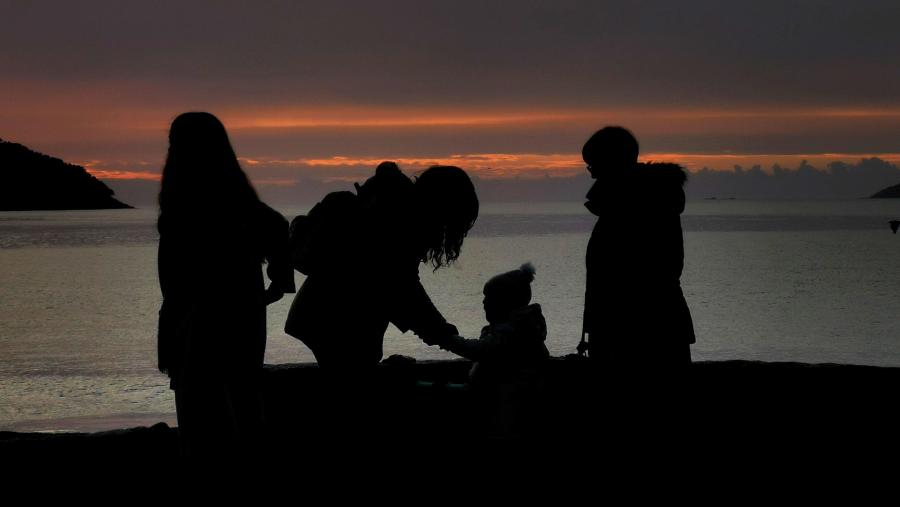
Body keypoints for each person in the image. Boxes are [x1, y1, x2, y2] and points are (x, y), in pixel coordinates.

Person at [157, 112, 295, 457]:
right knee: (240, 403)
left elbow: (177, 277)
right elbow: (278, 227)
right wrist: (277, 283)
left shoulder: (188, 200)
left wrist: (277, 281)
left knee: (204, 413)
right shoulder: (237, 199)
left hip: (199, 316)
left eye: (175, 141)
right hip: (239, 314)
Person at [284, 161, 479, 370]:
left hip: (318, 315)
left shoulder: (389, 211)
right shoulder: (399, 222)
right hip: (332, 321)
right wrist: (446, 335)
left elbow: (401, 289)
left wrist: (439, 332)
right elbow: (403, 288)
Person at [581, 126, 695, 374]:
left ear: (612, 162)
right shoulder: (643, 202)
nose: (592, 176)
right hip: (646, 327)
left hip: (638, 333)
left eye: (593, 165)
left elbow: (626, 276)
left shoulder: (634, 208)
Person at [428, 263, 549, 440]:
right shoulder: (525, 331)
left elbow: (479, 350)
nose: (483, 302)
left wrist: (447, 340)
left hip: (506, 412)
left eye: (489, 298)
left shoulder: (510, 335)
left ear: (506, 303)